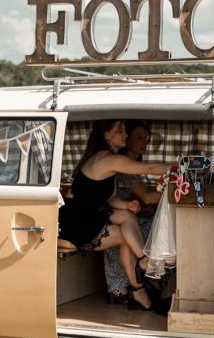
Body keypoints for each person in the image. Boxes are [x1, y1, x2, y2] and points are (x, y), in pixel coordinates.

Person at [59, 119, 170, 309]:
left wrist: (127, 204)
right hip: (78, 224)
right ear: (106, 135)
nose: (125, 135)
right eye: (120, 131)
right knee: (129, 236)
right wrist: (182, 167)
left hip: (87, 215)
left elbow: (109, 198)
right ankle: (140, 285)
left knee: (127, 218)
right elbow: (149, 169)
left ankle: (142, 272)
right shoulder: (108, 159)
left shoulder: (104, 158)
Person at [103, 121, 160, 300]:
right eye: (139, 137)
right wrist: (176, 193)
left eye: (146, 139)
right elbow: (148, 197)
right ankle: (126, 283)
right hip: (114, 217)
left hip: (124, 214)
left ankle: (139, 281)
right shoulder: (125, 167)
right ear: (127, 140)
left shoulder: (132, 166)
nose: (144, 142)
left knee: (152, 225)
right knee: (153, 229)